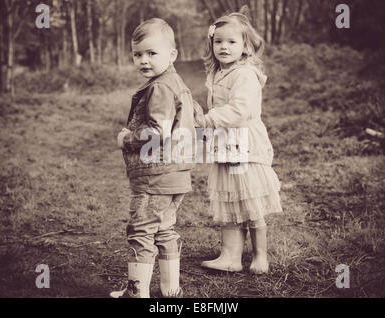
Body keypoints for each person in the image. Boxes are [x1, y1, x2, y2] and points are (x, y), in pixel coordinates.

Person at [111, 18, 196, 298]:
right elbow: (195, 116)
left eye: (151, 53)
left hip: (154, 176)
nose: (143, 60)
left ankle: (137, 293)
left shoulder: (159, 88)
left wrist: (127, 139)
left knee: (141, 230)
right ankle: (170, 291)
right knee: (164, 229)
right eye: (138, 54)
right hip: (176, 176)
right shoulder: (177, 83)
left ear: (172, 54)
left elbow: (157, 133)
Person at [194, 8, 282, 274]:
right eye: (218, 41)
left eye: (232, 42)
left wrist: (208, 119)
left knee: (250, 201)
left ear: (245, 47)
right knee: (230, 200)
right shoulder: (219, 72)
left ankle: (260, 256)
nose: (224, 46)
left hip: (243, 145)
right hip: (226, 145)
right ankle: (230, 256)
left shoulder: (244, 74)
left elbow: (240, 110)